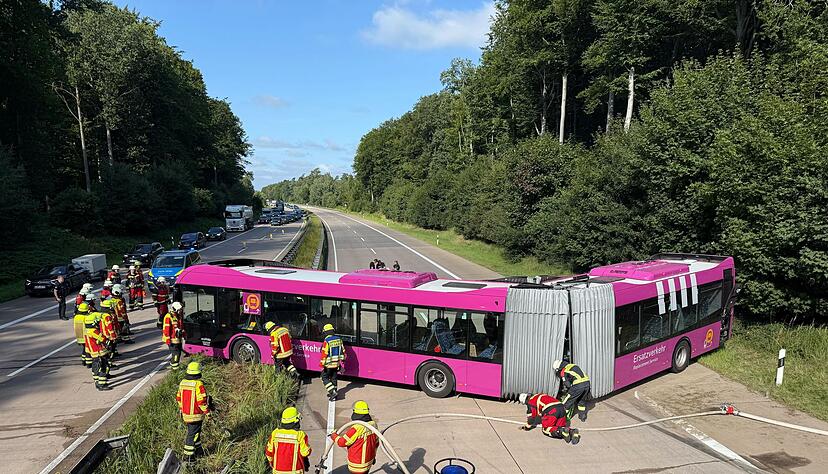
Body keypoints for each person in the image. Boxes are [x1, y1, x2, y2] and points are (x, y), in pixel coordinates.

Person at [329, 400, 380, 474]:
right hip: (369, 462)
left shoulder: (356, 428)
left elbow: (342, 442)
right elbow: (376, 443)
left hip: (357, 465)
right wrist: (373, 456)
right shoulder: (373, 425)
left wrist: (333, 435)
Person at [176, 362, 211, 461]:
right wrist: (207, 412)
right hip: (196, 415)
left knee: (196, 433)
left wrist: (182, 410)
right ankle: (189, 457)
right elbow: (201, 401)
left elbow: (178, 398)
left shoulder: (182, 383)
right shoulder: (198, 384)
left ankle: (199, 451)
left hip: (186, 415)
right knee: (193, 435)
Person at [265, 407, 312, 474]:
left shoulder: (275, 433)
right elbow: (305, 453)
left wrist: (271, 462)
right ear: (296, 421)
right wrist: (309, 448)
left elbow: (269, 452)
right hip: (295, 471)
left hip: (278, 471)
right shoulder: (300, 434)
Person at [84, 312, 111, 390]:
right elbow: (102, 338)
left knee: (95, 366)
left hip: (93, 353)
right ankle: (102, 384)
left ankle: (97, 381)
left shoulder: (87, 330)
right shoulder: (93, 331)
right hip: (99, 352)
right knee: (104, 366)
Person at [320, 323, 346, 401]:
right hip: (336, 364)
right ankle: (335, 393)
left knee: (324, 377)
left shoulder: (327, 341)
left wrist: (322, 363)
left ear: (326, 332)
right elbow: (343, 350)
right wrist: (343, 359)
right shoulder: (339, 339)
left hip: (328, 364)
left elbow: (324, 352)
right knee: (334, 378)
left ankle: (332, 392)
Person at [163, 301, 184, 370]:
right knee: (176, 355)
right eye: (179, 310)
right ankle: (175, 370)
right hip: (172, 340)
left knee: (178, 354)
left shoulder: (178, 315)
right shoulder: (168, 317)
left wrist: (183, 333)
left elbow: (181, 326)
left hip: (178, 339)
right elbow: (166, 329)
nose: (181, 311)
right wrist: (168, 340)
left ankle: (173, 365)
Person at [73, 302, 92, 367]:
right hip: (86, 335)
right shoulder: (86, 317)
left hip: (79, 336)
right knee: (88, 349)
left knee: (84, 349)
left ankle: (83, 360)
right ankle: (88, 362)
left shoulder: (76, 317)